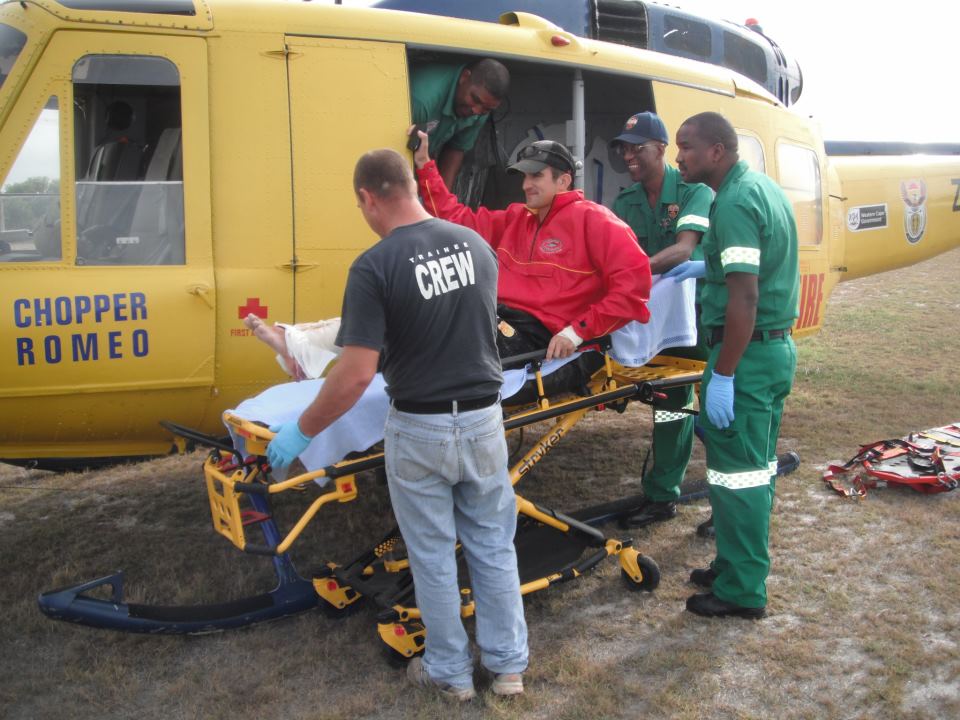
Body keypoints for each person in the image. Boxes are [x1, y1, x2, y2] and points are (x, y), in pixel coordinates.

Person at [265, 148, 528, 699]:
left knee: (431, 553)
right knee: (492, 546)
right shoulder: (476, 245)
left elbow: (356, 375)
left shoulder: (375, 265)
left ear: (367, 197)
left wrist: (304, 430)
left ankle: (451, 674)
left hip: (421, 427)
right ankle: (507, 669)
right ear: (410, 184)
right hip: (483, 421)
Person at [671, 111, 799, 619]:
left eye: (686, 147)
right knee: (755, 470)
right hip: (770, 351)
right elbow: (753, 267)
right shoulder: (759, 188)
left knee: (737, 477)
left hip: (744, 355)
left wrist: (723, 374)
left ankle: (743, 591)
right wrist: (708, 266)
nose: (679, 156)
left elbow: (745, 297)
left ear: (717, 152)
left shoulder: (734, 203)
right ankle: (733, 564)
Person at [411, 127, 651, 376]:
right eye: (524, 177)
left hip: (539, 334)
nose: (526, 185)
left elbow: (633, 288)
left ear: (564, 181)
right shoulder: (516, 217)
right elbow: (454, 219)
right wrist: (425, 164)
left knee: (447, 345)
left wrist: (577, 332)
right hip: (496, 319)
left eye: (536, 176)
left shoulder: (595, 220)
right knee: (419, 324)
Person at [610, 111, 713, 529]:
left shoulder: (694, 192)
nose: (628, 155)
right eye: (624, 148)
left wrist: (636, 273)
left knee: (720, 415)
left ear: (661, 149)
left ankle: (728, 509)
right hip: (661, 325)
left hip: (705, 317)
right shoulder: (625, 203)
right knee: (670, 405)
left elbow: (685, 250)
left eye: (638, 148)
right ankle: (662, 496)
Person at [410, 58, 510, 188]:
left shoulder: (481, 110)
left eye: (486, 109)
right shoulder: (422, 102)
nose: (476, 110)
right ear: (464, 77)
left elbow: (456, 148)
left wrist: (442, 203)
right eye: (475, 99)